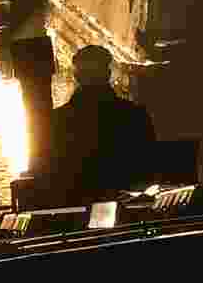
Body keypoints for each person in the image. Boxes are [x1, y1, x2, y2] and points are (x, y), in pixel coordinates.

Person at [47, 45, 157, 196]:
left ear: (76, 77)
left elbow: (50, 172)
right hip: (126, 201)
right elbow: (148, 166)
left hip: (74, 201)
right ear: (108, 74)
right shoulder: (134, 114)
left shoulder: (57, 120)